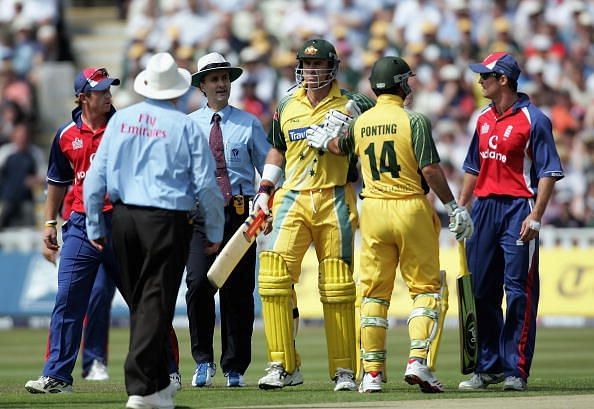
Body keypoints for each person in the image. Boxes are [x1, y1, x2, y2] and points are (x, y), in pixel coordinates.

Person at [308, 56, 474, 393]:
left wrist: (325, 141)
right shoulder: (414, 121)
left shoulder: (360, 123)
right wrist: (453, 206)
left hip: (372, 211)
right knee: (425, 289)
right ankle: (417, 361)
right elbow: (429, 170)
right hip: (410, 207)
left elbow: (341, 147)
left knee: (374, 294)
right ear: (399, 84)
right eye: (407, 81)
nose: (410, 86)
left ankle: (371, 373)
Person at [84, 52, 224, 409]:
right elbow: (206, 186)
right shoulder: (186, 126)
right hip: (165, 220)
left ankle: (157, 384)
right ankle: (142, 388)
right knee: (154, 302)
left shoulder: (121, 121)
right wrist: (214, 230)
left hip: (123, 219)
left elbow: (95, 177)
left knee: (142, 303)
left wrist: (95, 224)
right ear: (177, 91)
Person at [251, 38, 374, 391]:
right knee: (273, 276)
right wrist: (264, 191)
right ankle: (283, 366)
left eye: (319, 65)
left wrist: (344, 138)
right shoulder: (288, 102)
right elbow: (277, 148)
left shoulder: (356, 103)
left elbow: (378, 136)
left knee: (337, 284)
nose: (312, 71)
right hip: (292, 197)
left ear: (332, 67)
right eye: (307, 66)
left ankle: (345, 371)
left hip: (335, 195)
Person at [457, 52, 563, 392]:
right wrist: (461, 207)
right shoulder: (483, 117)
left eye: (485, 76)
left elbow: (548, 172)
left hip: (519, 208)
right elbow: (473, 166)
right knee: (481, 290)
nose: (480, 81)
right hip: (484, 209)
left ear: (503, 79)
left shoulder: (535, 120)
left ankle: (515, 369)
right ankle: (487, 367)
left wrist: (536, 216)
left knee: (519, 291)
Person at [24, 67, 120, 394]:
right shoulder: (65, 135)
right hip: (79, 222)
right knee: (67, 299)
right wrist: (49, 224)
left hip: (121, 221)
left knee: (146, 298)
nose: (108, 95)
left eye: (110, 89)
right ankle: (57, 376)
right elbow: (56, 183)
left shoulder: (124, 128)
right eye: (101, 90)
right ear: (83, 98)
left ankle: (167, 370)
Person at [185, 52, 269, 388]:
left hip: (239, 215)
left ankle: (235, 366)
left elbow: (270, 169)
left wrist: (268, 205)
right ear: (202, 86)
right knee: (197, 286)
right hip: (201, 217)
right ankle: (203, 360)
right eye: (214, 79)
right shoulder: (188, 125)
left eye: (225, 78)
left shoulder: (249, 123)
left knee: (238, 292)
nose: (221, 84)